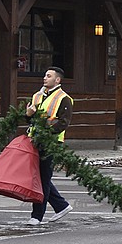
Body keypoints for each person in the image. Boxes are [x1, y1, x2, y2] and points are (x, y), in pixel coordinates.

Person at [24, 66, 73, 224]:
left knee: (43, 179)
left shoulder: (64, 99)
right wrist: (28, 115)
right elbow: (30, 118)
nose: (45, 78)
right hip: (35, 141)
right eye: (45, 75)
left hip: (51, 143)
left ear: (57, 80)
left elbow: (63, 123)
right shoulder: (37, 96)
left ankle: (37, 216)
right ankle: (61, 205)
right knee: (40, 177)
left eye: (49, 76)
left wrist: (47, 131)